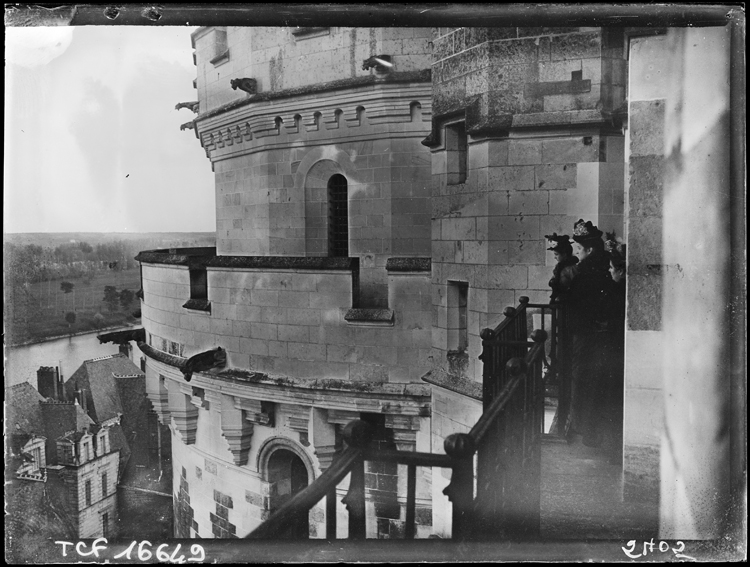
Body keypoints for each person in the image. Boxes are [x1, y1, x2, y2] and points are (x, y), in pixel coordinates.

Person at [565, 219, 612, 447]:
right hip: (594, 332)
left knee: (581, 378)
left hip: (585, 333)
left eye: (579, 249)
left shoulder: (585, 273)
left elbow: (577, 303)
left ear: (590, 249)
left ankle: (580, 426)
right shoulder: (600, 268)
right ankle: (586, 427)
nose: (576, 253)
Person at [601, 233, 626, 462]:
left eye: (612, 268)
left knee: (613, 401)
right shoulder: (617, 290)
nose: (609, 272)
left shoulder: (618, 293)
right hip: (616, 350)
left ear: (621, 271)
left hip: (616, 352)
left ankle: (614, 451)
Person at [545, 233, 578, 303]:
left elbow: (577, 288)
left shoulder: (572, 269)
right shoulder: (558, 268)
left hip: (568, 303)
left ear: (565, 254)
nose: (555, 257)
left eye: (556, 254)